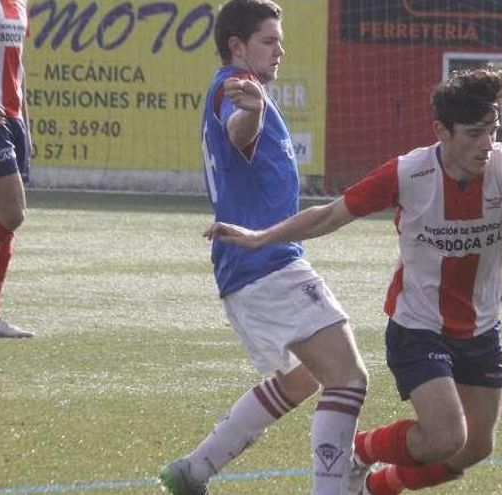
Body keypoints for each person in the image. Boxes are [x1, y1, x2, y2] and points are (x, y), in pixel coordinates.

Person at [207, 65, 502, 495]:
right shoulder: (409, 173)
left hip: (481, 330)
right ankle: (359, 451)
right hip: (418, 327)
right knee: (449, 437)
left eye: (493, 131)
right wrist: (262, 236)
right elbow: (331, 214)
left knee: (473, 449)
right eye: (473, 133)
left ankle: (376, 487)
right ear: (441, 132)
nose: (486, 145)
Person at [158, 1, 368, 494]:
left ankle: (193, 471)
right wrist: (249, 114)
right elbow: (238, 130)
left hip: (249, 268)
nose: (280, 50)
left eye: (280, 40)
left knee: (300, 380)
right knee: (348, 379)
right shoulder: (237, 87)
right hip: (267, 264)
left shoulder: (236, 87)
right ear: (237, 46)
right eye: (269, 41)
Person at [0, 1, 34, 338]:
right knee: (13, 212)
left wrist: (26, 124)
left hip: (11, 117)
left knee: (2, 214)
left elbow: (19, 65)